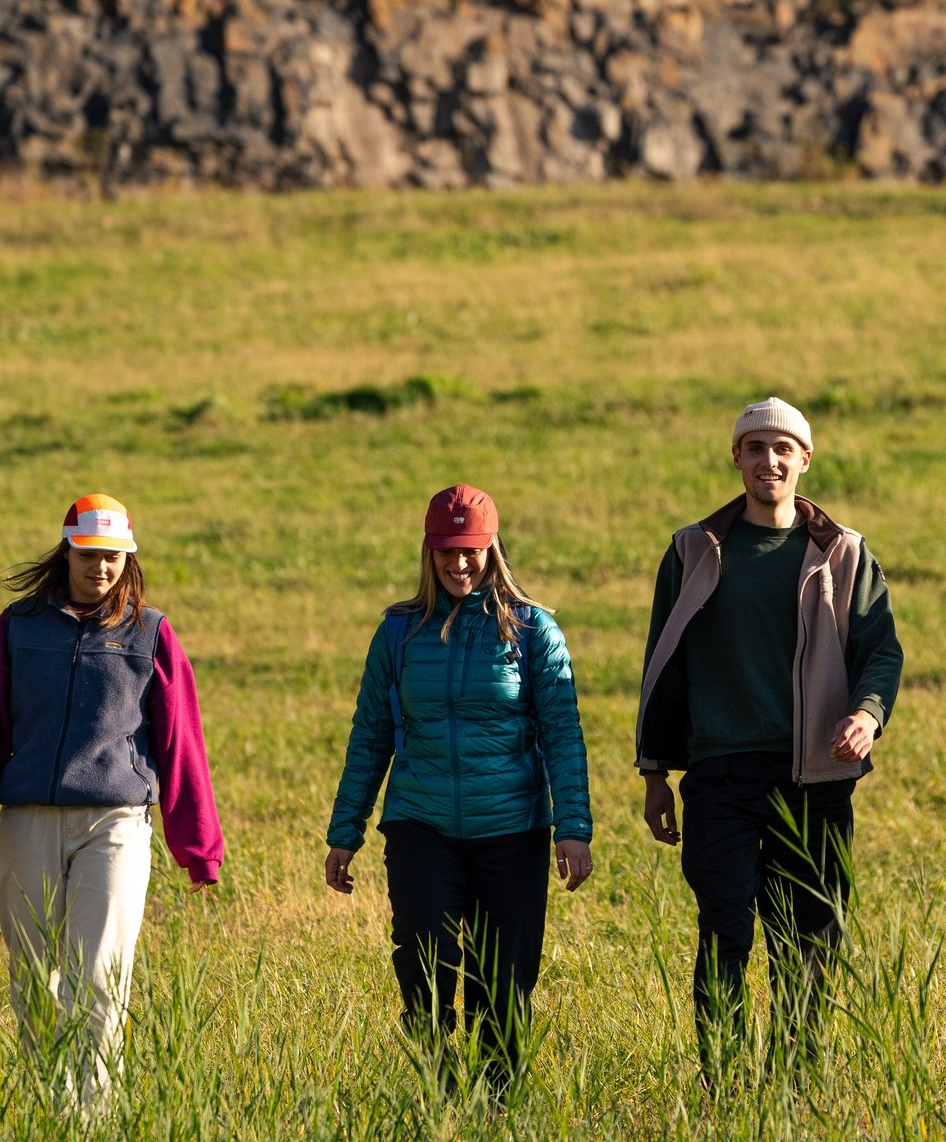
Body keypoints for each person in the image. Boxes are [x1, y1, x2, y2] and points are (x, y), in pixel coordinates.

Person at [636, 396, 904, 1078]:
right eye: (755, 448)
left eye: (783, 449)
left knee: (808, 941)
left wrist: (866, 715)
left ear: (804, 460)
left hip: (812, 777)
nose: (769, 461)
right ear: (736, 458)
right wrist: (654, 774)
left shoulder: (842, 552)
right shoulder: (694, 549)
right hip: (720, 774)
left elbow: (880, 651)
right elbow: (662, 659)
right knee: (724, 929)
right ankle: (723, 1088)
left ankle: (794, 1086)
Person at [0, 494, 223, 1104]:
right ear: (68, 549)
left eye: (114, 557)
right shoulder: (17, 628)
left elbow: (181, 742)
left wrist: (198, 848)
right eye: (91, 554)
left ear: (129, 558)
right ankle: (52, 1111)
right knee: (35, 982)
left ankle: (90, 1125)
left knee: (97, 977)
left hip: (116, 824)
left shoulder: (150, 633)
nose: (102, 568)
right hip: (28, 825)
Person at [325, 484, 592, 1091]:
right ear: (429, 551)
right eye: (447, 551)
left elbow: (562, 736)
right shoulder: (398, 633)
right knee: (424, 968)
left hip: (513, 831)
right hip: (422, 826)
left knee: (504, 983)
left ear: (493, 548)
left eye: (471, 550)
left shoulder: (533, 631)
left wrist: (573, 829)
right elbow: (370, 736)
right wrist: (346, 833)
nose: (459, 564)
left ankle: (497, 1106)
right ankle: (438, 1092)